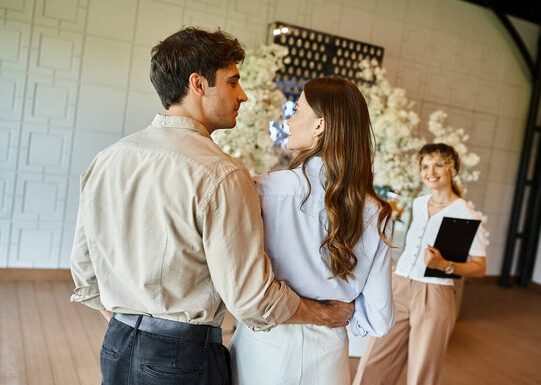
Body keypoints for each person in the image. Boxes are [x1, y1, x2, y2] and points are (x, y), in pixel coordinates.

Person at [69, 27, 354, 385]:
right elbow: (251, 299)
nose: (244, 95)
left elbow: (84, 270)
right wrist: (325, 315)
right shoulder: (222, 174)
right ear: (198, 84)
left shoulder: (108, 159)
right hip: (181, 356)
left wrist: (135, 324)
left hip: (116, 344)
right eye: (233, 82)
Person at [229, 77, 395, 385]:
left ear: (319, 125)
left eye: (297, 109)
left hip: (266, 345)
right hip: (329, 354)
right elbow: (380, 316)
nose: (289, 119)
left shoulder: (263, 190)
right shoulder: (377, 212)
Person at [353, 143, 487, 385]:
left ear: (452, 169)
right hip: (399, 286)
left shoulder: (467, 214)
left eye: (438, 164)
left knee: (422, 371)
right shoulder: (418, 203)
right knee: (374, 358)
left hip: (434, 294)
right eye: (425, 166)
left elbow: (480, 266)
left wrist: (445, 265)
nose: (430, 171)